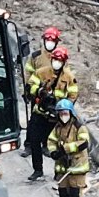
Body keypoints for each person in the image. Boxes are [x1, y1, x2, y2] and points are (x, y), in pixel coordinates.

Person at [25, 47, 79, 181]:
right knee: (34, 139)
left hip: (57, 116)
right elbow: (30, 85)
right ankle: (38, 170)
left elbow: (73, 95)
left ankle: (58, 172)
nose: (56, 63)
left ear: (64, 62)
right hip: (40, 112)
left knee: (58, 144)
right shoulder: (41, 72)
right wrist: (39, 92)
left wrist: (63, 106)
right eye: (55, 60)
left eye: (59, 61)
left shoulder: (69, 77)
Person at [49, 99, 92, 197]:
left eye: (65, 113)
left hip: (77, 167)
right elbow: (51, 141)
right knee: (63, 193)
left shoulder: (79, 127)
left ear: (71, 113)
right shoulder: (57, 128)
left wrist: (66, 148)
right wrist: (53, 152)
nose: (63, 116)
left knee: (74, 194)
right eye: (61, 113)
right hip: (63, 166)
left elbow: (83, 142)